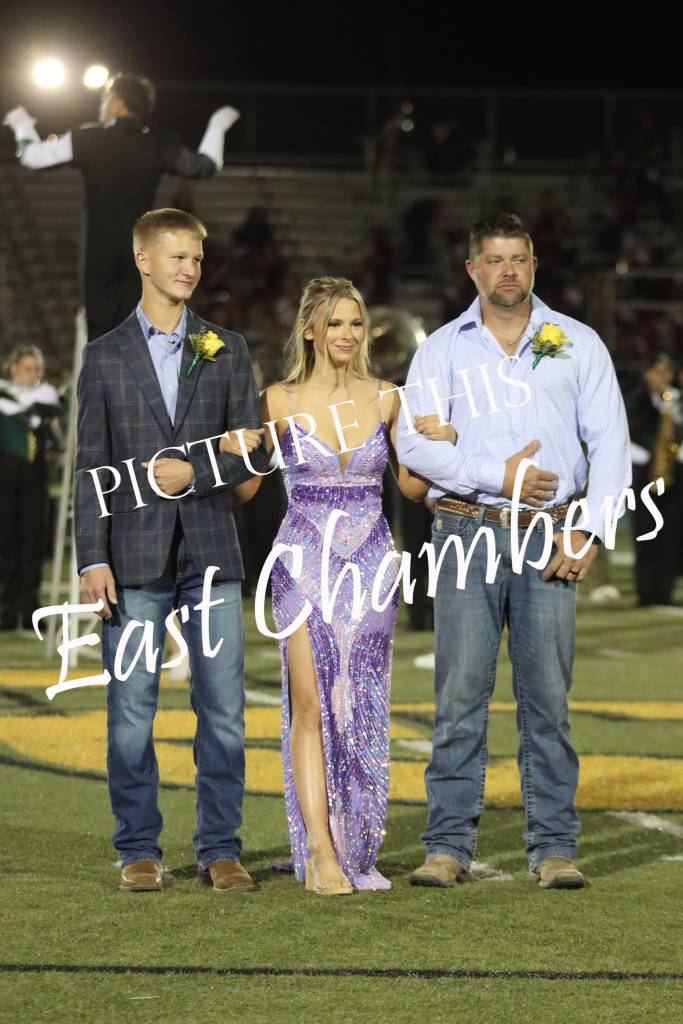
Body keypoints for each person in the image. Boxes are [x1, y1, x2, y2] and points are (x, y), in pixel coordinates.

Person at [397, 213, 631, 890]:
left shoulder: (579, 342)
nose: (508, 271)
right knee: (458, 697)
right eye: (494, 260)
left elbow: (610, 442)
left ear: (534, 265)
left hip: (550, 533)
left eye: (518, 259)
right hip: (464, 528)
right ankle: (446, 846)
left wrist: (590, 530)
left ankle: (553, 847)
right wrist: (493, 475)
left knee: (548, 700)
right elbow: (412, 446)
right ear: (472, 269)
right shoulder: (441, 349)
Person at [221, 277, 454, 894]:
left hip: (373, 565)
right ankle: (322, 852)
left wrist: (445, 445)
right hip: (302, 565)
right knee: (309, 705)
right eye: (335, 323)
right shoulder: (277, 400)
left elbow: (412, 488)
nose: (348, 334)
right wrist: (234, 449)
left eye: (356, 323)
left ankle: (355, 843)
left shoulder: (388, 397)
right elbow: (246, 492)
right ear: (309, 330)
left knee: (360, 705)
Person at [74, 207, 267, 893]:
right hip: (130, 558)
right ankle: (137, 848)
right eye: (177, 256)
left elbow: (252, 453)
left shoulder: (228, 348)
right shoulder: (103, 355)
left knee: (224, 711)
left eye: (197, 258)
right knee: (132, 713)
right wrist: (91, 559)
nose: (190, 268)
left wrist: (198, 470)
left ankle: (221, 847)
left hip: (211, 552)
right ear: (143, 260)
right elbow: (90, 467)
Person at [4, 73, 239, 339]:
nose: (103, 105)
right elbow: (205, 166)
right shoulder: (159, 143)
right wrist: (218, 126)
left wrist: (22, 124)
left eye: (105, 99)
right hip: (140, 250)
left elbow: (32, 156)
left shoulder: (88, 138)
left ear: (117, 103)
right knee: (138, 330)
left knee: (99, 333)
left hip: (99, 250)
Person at [0, 345, 60, 631]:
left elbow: (50, 407)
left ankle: (30, 608)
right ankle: (7, 608)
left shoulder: (44, 394)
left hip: (34, 479)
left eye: (37, 369)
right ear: (13, 368)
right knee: (6, 542)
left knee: (32, 542)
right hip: (4, 478)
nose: (34, 374)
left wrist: (25, 404)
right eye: (27, 369)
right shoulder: (4, 392)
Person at [626, 353, 683, 606]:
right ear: (647, 373)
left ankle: (665, 591)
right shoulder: (635, 399)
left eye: (667, 372)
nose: (663, 377)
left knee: (670, 533)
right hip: (643, 473)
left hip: (672, 473)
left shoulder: (676, 400)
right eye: (658, 371)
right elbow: (627, 434)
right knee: (645, 532)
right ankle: (645, 591)